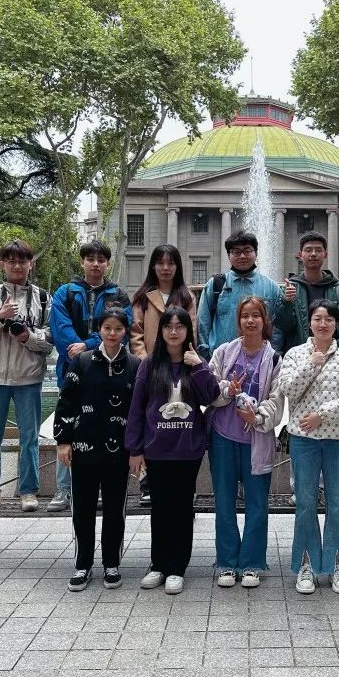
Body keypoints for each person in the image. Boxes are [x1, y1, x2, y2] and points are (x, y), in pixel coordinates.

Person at [126, 306, 220, 595]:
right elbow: (137, 408)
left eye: (180, 326)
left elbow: (212, 396)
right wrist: (135, 449)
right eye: (169, 326)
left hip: (187, 450)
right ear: (162, 330)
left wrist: (199, 366)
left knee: (181, 509)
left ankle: (177, 567)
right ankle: (158, 564)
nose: (174, 331)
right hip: (157, 449)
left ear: (187, 330)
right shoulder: (150, 364)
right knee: (160, 509)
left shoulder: (195, 362)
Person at [53, 309, 139, 592]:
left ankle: (112, 564)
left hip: (119, 451)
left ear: (125, 331)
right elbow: (67, 401)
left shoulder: (134, 365)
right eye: (107, 328)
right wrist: (63, 441)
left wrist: (137, 448)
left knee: (115, 509)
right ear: (99, 330)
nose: (112, 333)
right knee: (83, 509)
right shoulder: (82, 361)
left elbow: (139, 410)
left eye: (118, 328)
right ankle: (83, 565)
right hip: (84, 448)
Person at [0, 239, 53, 512]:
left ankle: (28, 491)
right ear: (2, 264)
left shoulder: (43, 299)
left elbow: (51, 338)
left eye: (22, 261)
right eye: (11, 261)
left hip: (28, 377)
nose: (17, 266)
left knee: (29, 438)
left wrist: (28, 336)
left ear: (31, 264)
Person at [280, 299, 339, 595]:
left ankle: (337, 564)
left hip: (338, 439)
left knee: (337, 504)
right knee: (305, 503)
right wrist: (311, 364)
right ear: (310, 322)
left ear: (336, 323)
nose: (323, 323)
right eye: (317, 318)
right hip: (303, 440)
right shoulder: (295, 354)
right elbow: (288, 390)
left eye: (328, 319)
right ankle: (307, 564)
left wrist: (321, 415)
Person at [49, 240, 133, 512]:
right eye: (90, 259)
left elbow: (122, 328)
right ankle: (63, 488)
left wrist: (87, 345)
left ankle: (96, 488)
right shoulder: (65, 292)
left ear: (108, 263)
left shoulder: (118, 295)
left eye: (101, 260)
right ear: (82, 261)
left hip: (108, 371)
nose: (96, 264)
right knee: (68, 422)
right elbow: (59, 326)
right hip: (71, 369)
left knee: (102, 424)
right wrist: (78, 350)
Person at [206, 297, 284, 589]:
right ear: (238, 321)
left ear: (265, 321)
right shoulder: (224, 353)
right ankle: (227, 562)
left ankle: (251, 563)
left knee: (257, 504)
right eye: (245, 316)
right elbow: (209, 388)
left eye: (256, 316)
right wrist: (228, 390)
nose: (250, 321)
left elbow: (277, 400)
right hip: (223, 438)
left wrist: (257, 417)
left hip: (256, 440)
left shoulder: (274, 359)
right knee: (224, 501)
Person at [129, 244, 198, 507]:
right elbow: (136, 333)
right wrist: (146, 362)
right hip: (151, 370)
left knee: (177, 420)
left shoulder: (186, 297)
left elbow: (192, 331)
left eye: (171, 263)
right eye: (161, 263)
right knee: (151, 419)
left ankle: (184, 489)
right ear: (153, 266)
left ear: (178, 266)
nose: (166, 268)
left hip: (180, 368)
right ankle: (147, 483)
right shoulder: (143, 297)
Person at [196, 230, 283, 361]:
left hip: (259, 361)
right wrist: (206, 355)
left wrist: (272, 354)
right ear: (229, 255)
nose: (242, 256)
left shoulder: (271, 287)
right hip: (220, 360)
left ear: (256, 253)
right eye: (236, 252)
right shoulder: (216, 284)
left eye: (247, 251)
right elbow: (203, 322)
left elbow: (278, 326)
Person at [274, 231, 339, 353]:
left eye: (318, 250)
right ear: (300, 255)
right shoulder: (290, 289)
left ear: (325, 254)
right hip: (298, 356)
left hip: (331, 355)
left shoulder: (338, 289)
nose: (313, 254)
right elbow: (283, 327)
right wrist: (286, 302)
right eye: (308, 250)